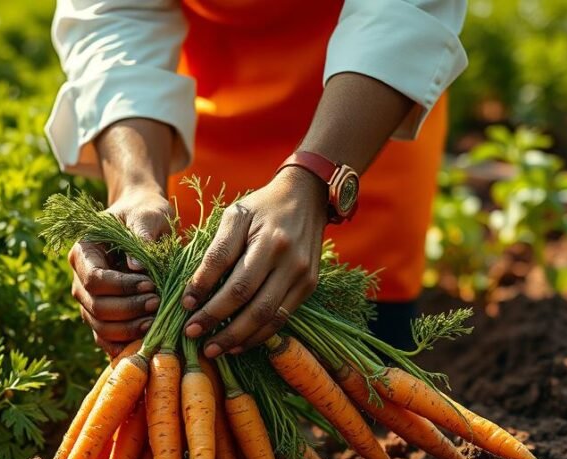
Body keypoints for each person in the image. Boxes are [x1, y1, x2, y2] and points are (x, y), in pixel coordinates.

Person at [47, 0, 468, 357]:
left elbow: (401, 12)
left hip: (362, 123)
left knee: (369, 373)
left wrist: (317, 178)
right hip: (208, 134)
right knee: (208, 342)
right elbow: (118, 14)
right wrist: (135, 185)